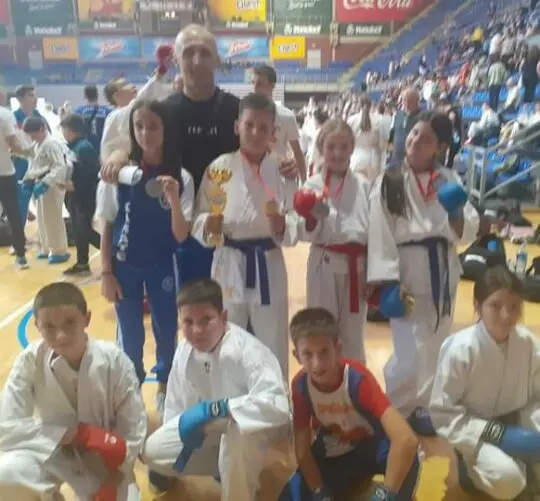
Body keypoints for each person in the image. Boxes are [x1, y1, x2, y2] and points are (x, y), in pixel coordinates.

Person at [101, 25, 300, 288]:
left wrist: (283, 162)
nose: (197, 61)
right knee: (190, 310)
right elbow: (138, 147)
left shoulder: (234, 108)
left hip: (228, 232)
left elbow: (260, 146)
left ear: (217, 59)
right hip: (177, 233)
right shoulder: (164, 111)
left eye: (205, 53)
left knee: (232, 311)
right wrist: (118, 154)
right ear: (176, 60)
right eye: (188, 53)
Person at [367, 111, 480, 435]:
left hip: (443, 268)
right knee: (409, 349)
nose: (416, 141)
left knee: (437, 343)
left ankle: (426, 406)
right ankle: (397, 407)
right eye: (414, 133)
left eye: (426, 138)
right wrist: (387, 281)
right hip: (407, 271)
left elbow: (467, 229)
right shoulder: (390, 180)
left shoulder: (448, 177)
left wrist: (456, 213)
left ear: (440, 147)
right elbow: (380, 232)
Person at [142, 278, 290, 499]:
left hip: (251, 433)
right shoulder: (184, 350)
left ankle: (240, 487)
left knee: (237, 435)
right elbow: (175, 402)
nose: (197, 330)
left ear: (224, 317)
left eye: (206, 320)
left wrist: (220, 408)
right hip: (212, 429)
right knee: (153, 451)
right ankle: (223, 466)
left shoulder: (249, 351)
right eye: (188, 322)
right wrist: (181, 446)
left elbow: (278, 406)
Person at [0, 282, 147, 501]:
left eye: (70, 323)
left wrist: (114, 476)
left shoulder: (115, 362)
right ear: (37, 325)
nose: (60, 335)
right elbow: (6, 428)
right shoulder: (29, 361)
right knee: (6, 476)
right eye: (49, 326)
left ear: (87, 319)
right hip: (52, 451)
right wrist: (73, 435)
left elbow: (134, 430)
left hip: (105, 458)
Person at [96, 99, 194, 416]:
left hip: (162, 264)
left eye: (153, 126)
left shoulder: (181, 177)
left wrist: (174, 200)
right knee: (130, 334)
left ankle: (165, 386)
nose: (145, 133)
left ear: (166, 129)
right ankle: (131, 389)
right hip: (124, 265)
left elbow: (181, 235)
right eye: (139, 126)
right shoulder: (119, 174)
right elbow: (106, 224)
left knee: (166, 329)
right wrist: (106, 272)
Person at [192, 93, 298, 376]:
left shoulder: (283, 170)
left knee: (272, 337)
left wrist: (283, 227)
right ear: (237, 126)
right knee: (227, 335)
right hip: (228, 261)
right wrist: (207, 225)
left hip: (268, 262)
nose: (255, 133)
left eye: (263, 127)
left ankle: (275, 398)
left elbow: (295, 218)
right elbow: (199, 216)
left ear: (273, 132)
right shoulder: (218, 168)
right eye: (249, 125)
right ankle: (231, 396)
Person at [279, 307, 419, 501]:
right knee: (288, 497)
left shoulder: (357, 380)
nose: (317, 364)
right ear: (297, 356)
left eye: (324, 352)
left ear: (338, 349)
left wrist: (385, 495)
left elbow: (406, 439)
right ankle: (349, 484)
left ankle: (382, 491)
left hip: (372, 449)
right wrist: (319, 492)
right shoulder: (300, 386)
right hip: (334, 453)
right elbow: (302, 450)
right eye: (308, 354)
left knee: (407, 459)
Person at [430, 266, 540, 500]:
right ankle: (467, 472)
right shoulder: (460, 349)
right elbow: (444, 413)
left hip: (517, 419)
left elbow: (536, 395)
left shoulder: (527, 343)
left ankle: (527, 468)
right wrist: (497, 433)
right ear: (478, 306)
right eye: (495, 306)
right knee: (509, 479)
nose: (506, 316)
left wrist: (532, 432)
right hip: (474, 430)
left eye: (514, 307)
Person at [292, 119, 371, 363]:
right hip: (323, 263)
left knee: (353, 334)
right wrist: (310, 218)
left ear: (352, 148)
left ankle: (353, 382)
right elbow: (302, 232)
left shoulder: (364, 185)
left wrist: (375, 274)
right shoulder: (311, 186)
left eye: (344, 147)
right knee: (321, 330)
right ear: (321, 148)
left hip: (357, 267)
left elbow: (375, 233)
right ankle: (321, 380)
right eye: (331, 147)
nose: (337, 153)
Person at [21, 116, 71, 264]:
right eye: (30, 135)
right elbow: (28, 154)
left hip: (51, 185)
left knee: (52, 219)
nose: (32, 138)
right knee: (42, 218)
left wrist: (46, 182)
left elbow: (60, 166)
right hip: (39, 183)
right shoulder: (38, 144)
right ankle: (46, 248)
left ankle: (59, 250)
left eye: (34, 134)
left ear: (42, 129)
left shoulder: (51, 144)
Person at [60, 113, 101, 276]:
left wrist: (75, 186)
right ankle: (82, 262)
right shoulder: (72, 147)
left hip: (84, 196)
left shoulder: (84, 148)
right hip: (73, 196)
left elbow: (92, 174)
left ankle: (113, 256)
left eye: (64, 129)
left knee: (85, 230)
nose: (63, 132)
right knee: (79, 231)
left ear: (71, 130)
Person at [252, 64, 307, 181]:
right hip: (253, 177)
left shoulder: (286, 116)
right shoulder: (245, 116)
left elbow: (297, 152)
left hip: (280, 178)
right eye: (253, 83)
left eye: (260, 84)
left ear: (272, 86)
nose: (255, 88)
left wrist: (304, 182)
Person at [12, 85, 49, 234]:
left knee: (44, 201)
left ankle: (44, 235)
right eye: (31, 95)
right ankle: (18, 237)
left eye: (35, 95)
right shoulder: (13, 117)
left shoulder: (39, 116)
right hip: (20, 163)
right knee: (21, 201)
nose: (35, 98)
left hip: (41, 164)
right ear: (21, 99)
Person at [0, 87, 29, 269]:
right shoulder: (5, 115)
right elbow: (13, 143)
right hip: (4, 173)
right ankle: (20, 255)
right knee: (13, 214)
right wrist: (30, 152)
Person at [347, 94, 382, 182]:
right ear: (370, 105)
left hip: (355, 159)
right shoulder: (378, 119)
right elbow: (381, 144)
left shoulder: (351, 120)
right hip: (373, 160)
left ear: (359, 105)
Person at [73, 85, 112, 156]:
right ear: (97, 95)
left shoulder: (79, 111)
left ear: (85, 96)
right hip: (103, 147)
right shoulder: (106, 111)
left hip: (85, 148)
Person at [388, 88, 421, 169]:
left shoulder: (422, 117)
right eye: (404, 100)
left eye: (410, 100)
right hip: (396, 160)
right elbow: (392, 134)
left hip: (414, 162)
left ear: (417, 101)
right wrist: (389, 150)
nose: (406, 103)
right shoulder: (398, 115)